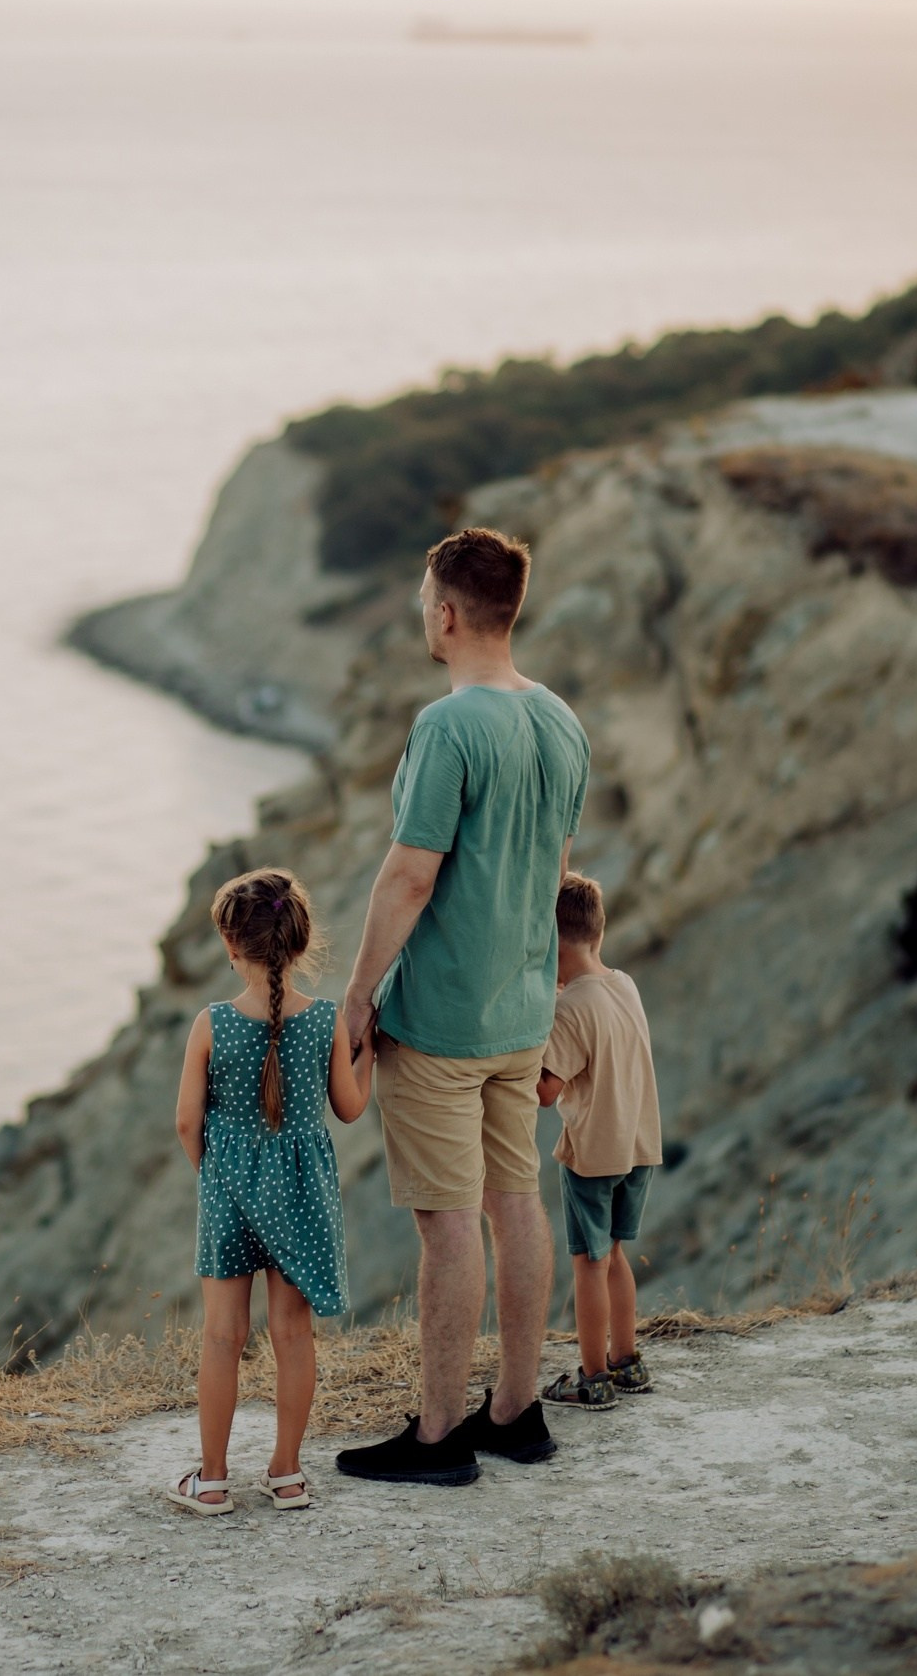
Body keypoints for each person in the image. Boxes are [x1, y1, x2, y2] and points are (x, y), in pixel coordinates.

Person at [334, 527, 589, 1486]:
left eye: (422, 599)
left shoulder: (447, 727)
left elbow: (409, 877)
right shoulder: (560, 719)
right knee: (515, 1202)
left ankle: (439, 1435)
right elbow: (555, 871)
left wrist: (359, 994)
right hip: (521, 1011)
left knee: (447, 1224)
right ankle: (517, 1412)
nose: (421, 613)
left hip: (441, 1019)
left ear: (446, 613)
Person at [166, 867, 374, 1515]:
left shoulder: (212, 1023)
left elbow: (186, 1121)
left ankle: (212, 1479)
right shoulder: (326, 1021)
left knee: (222, 1336)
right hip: (302, 1195)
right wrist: (369, 1051)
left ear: (231, 946)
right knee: (292, 1332)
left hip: (229, 1189)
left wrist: (215, 1174)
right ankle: (286, 1475)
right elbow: (350, 1108)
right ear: (300, 941)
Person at [535, 872, 664, 1411]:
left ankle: (591, 1378)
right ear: (599, 932)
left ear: (549, 941)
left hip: (593, 1152)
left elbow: (547, 1092)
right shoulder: (624, 984)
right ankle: (626, 1360)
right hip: (638, 1143)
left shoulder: (569, 1008)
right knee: (613, 1253)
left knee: (588, 1261)